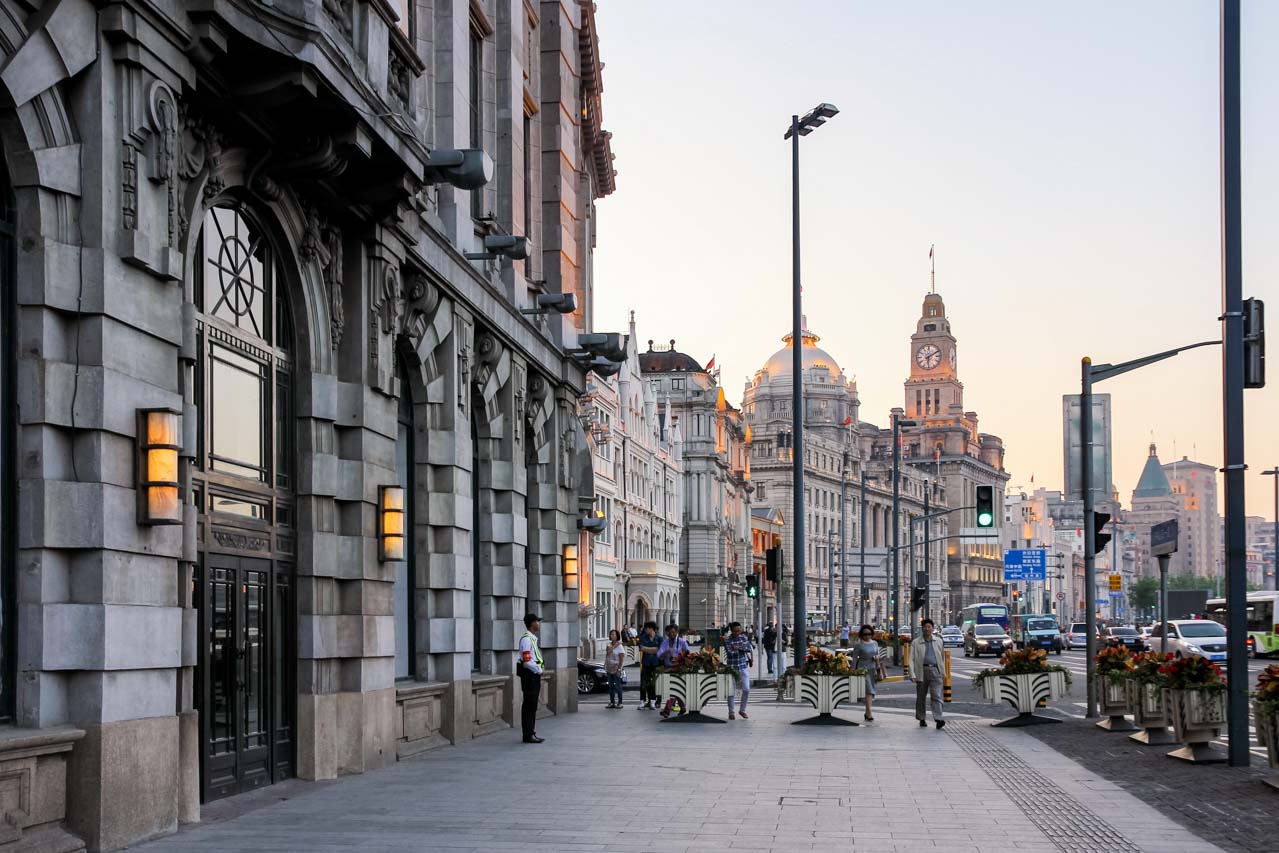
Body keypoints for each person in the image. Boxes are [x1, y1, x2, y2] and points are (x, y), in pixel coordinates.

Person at [910, 618, 946, 730]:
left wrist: (943, 672)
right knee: (921, 696)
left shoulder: (939, 641)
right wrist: (912, 674)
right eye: (925, 627)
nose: (927, 629)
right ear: (922, 628)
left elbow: (942, 658)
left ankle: (938, 718)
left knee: (937, 696)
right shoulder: (916, 642)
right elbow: (911, 659)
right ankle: (922, 718)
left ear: (932, 628)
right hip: (922, 671)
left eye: (929, 627)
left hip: (935, 671)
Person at [517, 613, 545, 743]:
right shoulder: (526, 639)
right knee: (529, 705)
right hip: (530, 676)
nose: (539, 624)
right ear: (531, 624)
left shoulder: (532, 639)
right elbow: (527, 661)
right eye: (537, 621)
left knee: (532, 705)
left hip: (533, 675)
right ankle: (528, 734)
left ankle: (530, 732)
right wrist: (539, 670)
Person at [851, 624, 885, 721]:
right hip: (863, 669)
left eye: (869, 634)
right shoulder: (859, 645)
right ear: (861, 635)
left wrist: (878, 664)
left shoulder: (875, 643)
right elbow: (854, 659)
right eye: (865, 634)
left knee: (870, 691)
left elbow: (877, 655)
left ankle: (867, 712)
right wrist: (852, 671)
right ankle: (869, 712)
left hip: (873, 668)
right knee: (868, 691)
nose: (867, 636)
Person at [722, 621, 754, 720]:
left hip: (743, 666)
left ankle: (742, 710)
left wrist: (738, 648)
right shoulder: (727, 640)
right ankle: (731, 712)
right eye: (735, 631)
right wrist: (742, 648)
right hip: (732, 668)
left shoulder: (743, 637)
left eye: (739, 631)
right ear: (731, 631)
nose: (737, 633)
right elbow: (730, 653)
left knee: (746, 689)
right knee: (731, 691)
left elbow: (749, 648)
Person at [637, 622, 661, 710]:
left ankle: (652, 702)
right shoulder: (643, 638)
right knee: (643, 683)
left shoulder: (659, 638)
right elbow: (641, 648)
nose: (645, 630)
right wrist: (653, 649)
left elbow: (659, 650)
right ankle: (642, 701)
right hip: (646, 663)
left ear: (652, 629)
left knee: (653, 684)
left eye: (647, 628)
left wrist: (647, 649)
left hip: (655, 664)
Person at [604, 629, 626, 709]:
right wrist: (615, 645)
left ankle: (620, 702)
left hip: (616, 668)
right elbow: (608, 651)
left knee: (618, 686)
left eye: (613, 634)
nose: (611, 636)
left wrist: (619, 669)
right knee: (610, 686)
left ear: (617, 636)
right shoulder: (609, 644)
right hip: (609, 668)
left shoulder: (620, 647)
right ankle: (612, 702)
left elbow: (621, 659)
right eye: (610, 634)